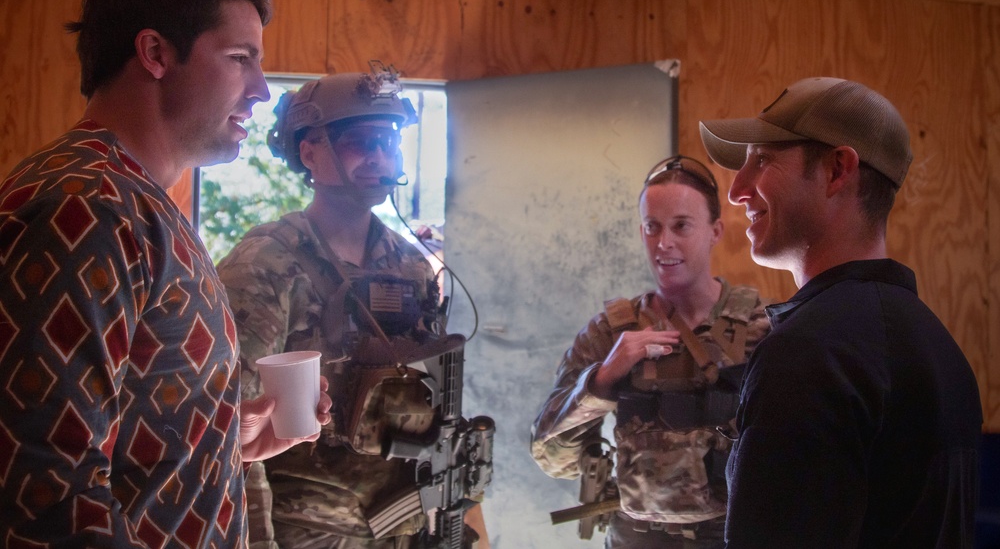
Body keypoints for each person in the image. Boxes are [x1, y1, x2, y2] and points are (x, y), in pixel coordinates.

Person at [0, 0, 331, 546]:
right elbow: (46, 496)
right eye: (240, 58)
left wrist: (224, 436)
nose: (261, 89)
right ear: (155, 52)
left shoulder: (140, 204)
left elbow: (115, 432)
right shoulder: (87, 208)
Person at [699, 76, 983, 548]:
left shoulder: (808, 355)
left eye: (762, 160)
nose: (736, 191)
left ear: (837, 170)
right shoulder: (939, 347)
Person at [216, 68, 490, 549]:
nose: (380, 157)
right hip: (304, 534)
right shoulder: (267, 264)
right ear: (309, 152)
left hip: (400, 527)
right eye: (360, 141)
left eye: (389, 141)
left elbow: (430, 407)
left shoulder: (411, 267)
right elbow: (232, 433)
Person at [530, 155, 771, 548]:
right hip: (634, 539)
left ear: (715, 231)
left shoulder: (761, 328)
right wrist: (603, 380)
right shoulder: (610, 332)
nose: (664, 243)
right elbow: (551, 457)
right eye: (652, 227)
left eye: (681, 226)